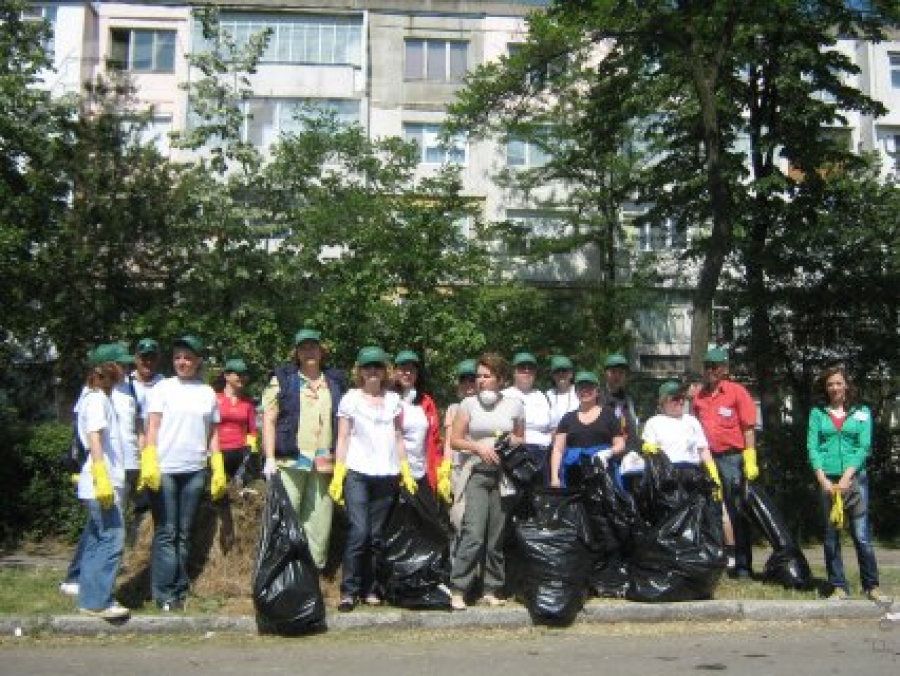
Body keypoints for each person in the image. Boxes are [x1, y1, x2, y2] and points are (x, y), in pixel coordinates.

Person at [328, 346, 416, 612]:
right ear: (360, 372)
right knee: (359, 532)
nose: (373, 372)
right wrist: (339, 471)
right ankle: (348, 590)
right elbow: (342, 437)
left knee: (376, 536)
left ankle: (370, 588)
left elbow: (399, 436)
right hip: (357, 471)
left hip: (386, 474)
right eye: (368, 367)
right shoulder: (350, 399)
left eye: (377, 367)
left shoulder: (393, 401)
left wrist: (405, 468)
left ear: (385, 371)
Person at [139, 335, 223, 611]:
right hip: (165, 469)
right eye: (177, 358)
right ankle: (163, 593)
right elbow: (152, 427)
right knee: (167, 531)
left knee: (185, 533)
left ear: (198, 361)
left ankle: (179, 589)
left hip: (194, 469)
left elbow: (213, 434)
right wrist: (149, 458)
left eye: (187, 358)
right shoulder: (162, 388)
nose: (182, 362)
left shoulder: (207, 392)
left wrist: (217, 464)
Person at [261, 328, 345, 571]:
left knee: (320, 522)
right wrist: (269, 457)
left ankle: (312, 572)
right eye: (303, 348)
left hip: (324, 462)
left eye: (313, 347)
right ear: (296, 353)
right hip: (291, 460)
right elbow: (269, 419)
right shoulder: (283, 379)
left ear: (321, 351)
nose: (309, 352)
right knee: (287, 517)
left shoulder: (335, 381)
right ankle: (283, 572)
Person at [448, 352, 525, 611]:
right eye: (478, 376)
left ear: (500, 378)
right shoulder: (468, 404)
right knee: (473, 533)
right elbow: (455, 440)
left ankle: (491, 589)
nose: (480, 381)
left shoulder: (514, 405)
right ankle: (458, 588)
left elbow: (520, 438)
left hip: (502, 477)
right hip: (476, 474)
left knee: (496, 536)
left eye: (486, 376)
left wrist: (510, 443)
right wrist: (478, 448)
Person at [807, 365, 889, 602]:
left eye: (838, 383)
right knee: (831, 535)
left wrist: (846, 478)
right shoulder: (818, 413)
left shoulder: (861, 412)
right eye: (830, 384)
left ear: (846, 385)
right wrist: (822, 478)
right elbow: (813, 447)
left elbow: (863, 447)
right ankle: (838, 586)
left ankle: (871, 586)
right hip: (828, 482)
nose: (834, 388)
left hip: (855, 480)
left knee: (861, 535)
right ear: (826, 388)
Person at [73, 344, 130, 619]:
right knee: (112, 538)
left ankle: (89, 598)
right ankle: (99, 601)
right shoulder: (96, 399)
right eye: (122, 365)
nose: (127, 369)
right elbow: (94, 438)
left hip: (99, 479)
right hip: (102, 481)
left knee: (97, 540)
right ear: (108, 368)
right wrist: (101, 476)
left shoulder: (101, 398)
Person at [691, 347, 758, 579]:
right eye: (707, 366)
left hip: (732, 457)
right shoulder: (698, 396)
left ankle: (743, 565)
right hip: (708, 458)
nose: (710, 370)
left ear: (724, 369)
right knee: (712, 510)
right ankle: (718, 562)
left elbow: (748, 427)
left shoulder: (737, 392)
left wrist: (750, 458)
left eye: (715, 366)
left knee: (737, 510)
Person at [641, 381, 722, 499]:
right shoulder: (653, 422)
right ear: (663, 402)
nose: (680, 401)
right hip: (667, 478)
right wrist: (647, 448)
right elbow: (649, 453)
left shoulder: (692, 421)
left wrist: (713, 475)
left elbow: (703, 450)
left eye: (682, 398)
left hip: (693, 475)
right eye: (675, 398)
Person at [549, 371, 624, 488]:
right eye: (581, 388)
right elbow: (558, 449)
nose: (585, 391)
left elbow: (620, 444)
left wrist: (608, 452)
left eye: (589, 387)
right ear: (576, 392)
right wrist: (554, 477)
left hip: (603, 474)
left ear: (597, 391)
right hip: (573, 476)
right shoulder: (567, 418)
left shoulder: (608, 414)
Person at [393, 350, 442, 493]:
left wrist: (439, 469)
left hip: (422, 473)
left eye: (412, 369)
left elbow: (435, 440)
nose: (407, 373)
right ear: (395, 371)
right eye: (403, 368)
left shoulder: (426, 402)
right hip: (394, 474)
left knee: (429, 515)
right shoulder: (387, 399)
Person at [502, 351, 553, 485]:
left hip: (544, 453)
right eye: (522, 368)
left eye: (531, 368)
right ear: (514, 372)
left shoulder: (541, 395)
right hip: (519, 454)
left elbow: (550, 427)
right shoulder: (504, 395)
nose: (527, 371)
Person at [439, 359, 479, 516]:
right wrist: (445, 470)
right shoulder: (453, 408)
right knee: (458, 513)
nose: (469, 383)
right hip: (458, 468)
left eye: (472, 378)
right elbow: (449, 442)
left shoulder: (488, 408)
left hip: (479, 468)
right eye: (464, 379)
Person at [216, 358, 258, 479]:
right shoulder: (214, 398)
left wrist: (251, 451)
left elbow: (252, 430)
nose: (243, 377)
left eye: (245, 374)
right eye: (238, 374)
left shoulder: (248, 402)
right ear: (226, 376)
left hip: (240, 452)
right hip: (218, 452)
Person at [546, 355, 578, 432]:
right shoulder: (547, 395)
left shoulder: (579, 392)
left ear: (571, 374)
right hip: (553, 437)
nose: (561, 374)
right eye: (557, 371)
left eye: (564, 370)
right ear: (552, 375)